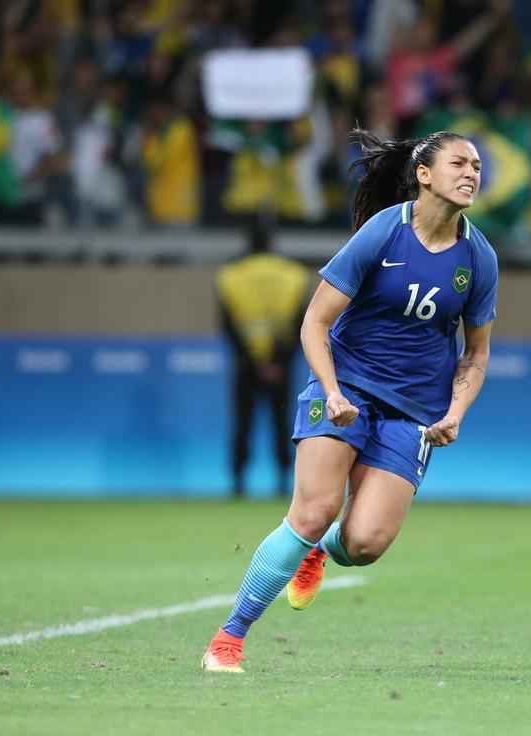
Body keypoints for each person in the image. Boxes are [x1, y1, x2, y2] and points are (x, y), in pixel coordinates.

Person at [202, 128, 500, 672]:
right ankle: (230, 637)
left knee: (364, 544)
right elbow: (315, 322)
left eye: (477, 166)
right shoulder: (382, 234)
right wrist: (334, 390)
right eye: (460, 162)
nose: (472, 173)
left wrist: (455, 413)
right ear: (424, 175)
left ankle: (318, 553)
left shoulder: (479, 259)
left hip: (413, 411)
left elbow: (475, 355)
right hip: (347, 390)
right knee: (314, 510)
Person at [216, 214, 313, 499]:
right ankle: (284, 484)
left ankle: (238, 484)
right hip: (281, 365)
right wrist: (277, 362)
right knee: (282, 423)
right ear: (272, 240)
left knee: (242, 423)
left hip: (246, 367)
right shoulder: (293, 275)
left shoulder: (230, 276)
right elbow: (301, 325)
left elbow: (228, 326)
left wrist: (254, 363)